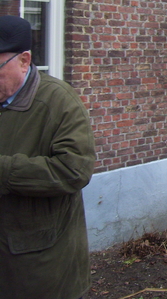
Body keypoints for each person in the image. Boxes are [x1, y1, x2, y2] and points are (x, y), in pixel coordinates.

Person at [0, 15, 96, 299]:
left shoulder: (59, 101)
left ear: (25, 60)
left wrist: (4, 171)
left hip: (42, 266)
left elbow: (75, 169)